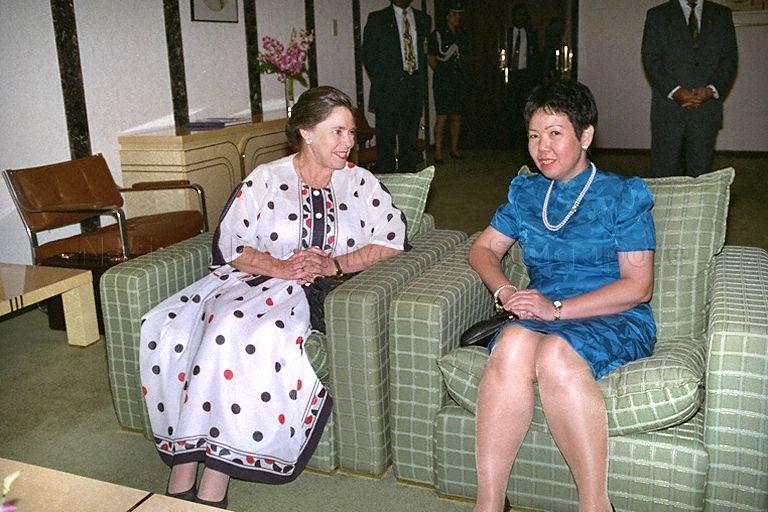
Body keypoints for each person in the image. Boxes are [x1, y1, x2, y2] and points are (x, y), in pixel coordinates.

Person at [139, 86, 407, 509]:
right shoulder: (266, 178)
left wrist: (334, 264)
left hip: (313, 292)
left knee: (241, 333)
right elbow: (232, 244)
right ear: (305, 132)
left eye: (351, 133)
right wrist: (280, 267)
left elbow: (391, 241)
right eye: (337, 132)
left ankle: (214, 477)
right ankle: (185, 460)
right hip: (254, 279)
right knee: (183, 323)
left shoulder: (359, 181)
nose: (348, 143)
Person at [468, 80, 656, 512]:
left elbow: (637, 286)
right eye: (534, 135)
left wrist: (557, 310)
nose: (542, 147)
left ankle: (595, 504)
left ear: (585, 135)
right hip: (541, 310)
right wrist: (506, 289)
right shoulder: (527, 191)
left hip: (612, 313)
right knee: (512, 343)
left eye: (555, 133)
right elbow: (483, 248)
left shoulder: (622, 194)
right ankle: (490, 503)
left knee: (554, 354)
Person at [641, 0, 738, 177]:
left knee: (700, 174)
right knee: (664, 173)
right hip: (668, 110)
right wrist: (675, 91)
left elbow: (729, 59)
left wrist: (711, 90)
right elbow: (651, 58)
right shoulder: (657, 15)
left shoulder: (722, 14)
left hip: (706, 111)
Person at [362, 0, 431, 173]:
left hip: (413, 88)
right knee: (386, 142)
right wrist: (384, 79)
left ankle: (407, 181)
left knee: (409, 141)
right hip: (387, 90)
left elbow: (422, 54)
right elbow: (368, 55)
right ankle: (386, 188)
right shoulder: (378, 19)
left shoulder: (424, 19)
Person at [428, 0, 469, 164]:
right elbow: (432, 59)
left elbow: (465, 55)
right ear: (447, 16)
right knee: (442, 116)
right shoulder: (437, 34)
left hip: (458, 79)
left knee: (457, 116)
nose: (457, 17)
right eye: (454, 14)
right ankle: (437, 151)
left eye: (459, 14)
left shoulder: (461, 33)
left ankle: (454, 148)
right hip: (443, 81)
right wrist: (442, 73)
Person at [505, 3, 540, 149]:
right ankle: (509, 141)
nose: (519, 18)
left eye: (522, 15)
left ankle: (523, 142)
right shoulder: (506, 34)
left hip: (525, 76)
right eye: (517, 15)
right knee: (510, 107)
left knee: (525, 108)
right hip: (510, 74)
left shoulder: (531, 34)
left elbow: (536, 57)